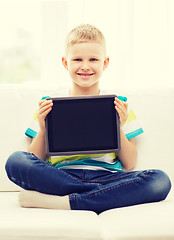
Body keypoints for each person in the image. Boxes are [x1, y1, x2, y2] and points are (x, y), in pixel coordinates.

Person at [5, 24, 171, 214]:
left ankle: (68, 201)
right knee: (15, 160)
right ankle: (96, 197)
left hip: (106, 178)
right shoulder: (48, 105)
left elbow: (129, 163)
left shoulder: (120, 104)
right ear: (65, 63)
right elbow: (35, 158)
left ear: (105, 63)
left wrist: (117, 126)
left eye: (93, 59)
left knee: (160, 180)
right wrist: (43, 129)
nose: (85, 66)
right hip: (61, 177)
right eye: (77, 59)